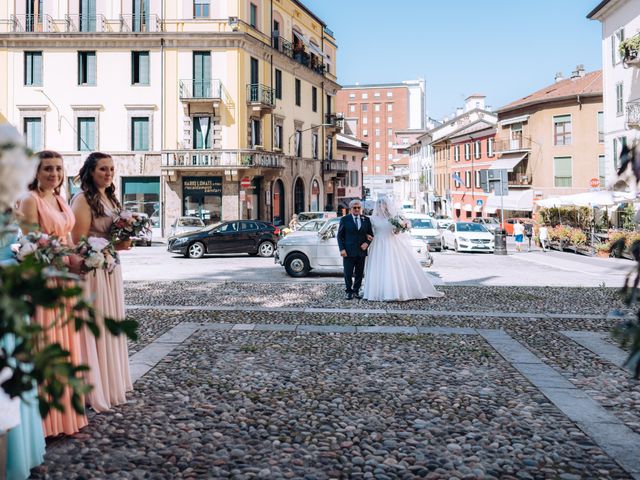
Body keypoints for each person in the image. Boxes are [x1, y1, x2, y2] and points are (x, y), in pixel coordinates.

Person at [18, 150, 88, 437]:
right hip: (44, 279)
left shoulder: (59, 198)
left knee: (66, 344)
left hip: (64, 279)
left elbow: (67, 238)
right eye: (47, 169)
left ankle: (66, 416)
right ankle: (46, 423)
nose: (54, 174)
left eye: (58, 169)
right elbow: (32, 244)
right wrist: (62, 257)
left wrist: (82, 259)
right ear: (35, 172)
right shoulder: (29, 200)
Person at [71, 152, 133, 412]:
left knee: (111, 324)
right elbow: (78, 242)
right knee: (96, 324)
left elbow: (113, 235)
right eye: (102, 170)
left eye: (111, 169)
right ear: (90, 172)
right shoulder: (83, 200)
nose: (108, 174)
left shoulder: (110, 198)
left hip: (110, 267)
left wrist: (127, 234)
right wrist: (115, 242)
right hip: (93, 270)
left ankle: (110, 382)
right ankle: (92, 387)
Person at [363, 196, 444, 301]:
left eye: (382, 204)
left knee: (391, 266)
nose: (380, 206)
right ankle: (376, 291)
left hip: (391, 243)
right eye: (379, 204)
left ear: (387, 205)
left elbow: (397, 232)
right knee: (378, 266)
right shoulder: (372, 219)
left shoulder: (393, 218)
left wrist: (400, 228)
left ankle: (393, 291)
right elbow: (368, 231)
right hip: (377, 243)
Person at [337, 199, 373, 300]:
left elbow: (371, 235)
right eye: (355, 208)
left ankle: (356, 291)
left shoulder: (366, 219)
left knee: (359, 273)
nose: (357, 209)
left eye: (358, 207)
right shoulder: (345, 219)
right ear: (351, 209)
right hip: (348, 251)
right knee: (348, 273)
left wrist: (367, 243)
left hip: (361, 251)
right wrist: (342, 249)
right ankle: (349, 291)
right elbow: (340, 236)